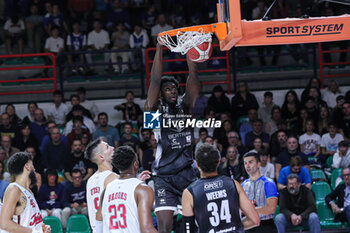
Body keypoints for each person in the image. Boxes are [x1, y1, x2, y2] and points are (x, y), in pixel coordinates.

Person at [144, 43, 200, 233]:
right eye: (168, 89)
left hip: (188, 174)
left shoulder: (186, 108)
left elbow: (193, 77)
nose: (173, 91)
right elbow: (154, 80)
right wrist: (159, 48)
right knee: (165, 228)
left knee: (195, 226)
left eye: (175, 88)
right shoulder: (154, 112)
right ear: (160, 94)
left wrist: (191, 48)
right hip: (164, 177)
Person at [182, 144, 260, 232]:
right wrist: (235, 226)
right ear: (219, 162)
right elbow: (255, 220)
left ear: (197, 165)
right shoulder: (233, 184)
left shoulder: (189, 192)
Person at [95, 146, 157, 233]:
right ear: (135, 164)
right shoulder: (142, 190)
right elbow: (147, 229)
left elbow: (98, 223)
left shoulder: (106, 190)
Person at [0, 152, 51, 233]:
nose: (34, 170)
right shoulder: (14, 189)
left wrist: (41, 228)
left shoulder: (29, 192)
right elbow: (4, 223)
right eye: (33, 166)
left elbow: (27, 222)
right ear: (27, 167)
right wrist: (33, 231)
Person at [242, 152, 278, 232]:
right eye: (245, 163)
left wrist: (249, 210)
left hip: (265, 226)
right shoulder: (243, 185)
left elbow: (271, 208)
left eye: (250, 162)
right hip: (248, 225)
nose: (247, 166)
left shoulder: (269, 183)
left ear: (258, 164)